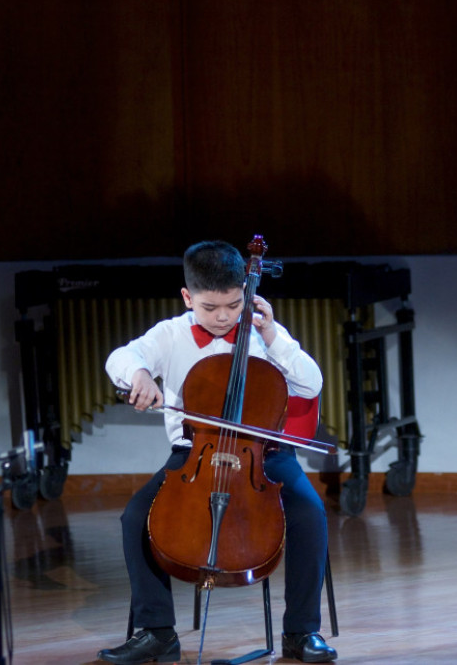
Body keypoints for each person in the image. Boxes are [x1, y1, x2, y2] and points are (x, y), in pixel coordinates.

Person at [98, 240, 337, 664]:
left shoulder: (264, 334)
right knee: (135, 516)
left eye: (233, 304)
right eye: (210, 307)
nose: (224, 316)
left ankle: (301, 632)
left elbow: (310, 384)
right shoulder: (171, 335)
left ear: (246, 293)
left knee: (309, 513)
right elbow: (122, 357)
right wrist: (140, 376)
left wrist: (272, 336)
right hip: (194, 453)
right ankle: (157, 632)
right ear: (188, 297)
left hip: (265, 455)